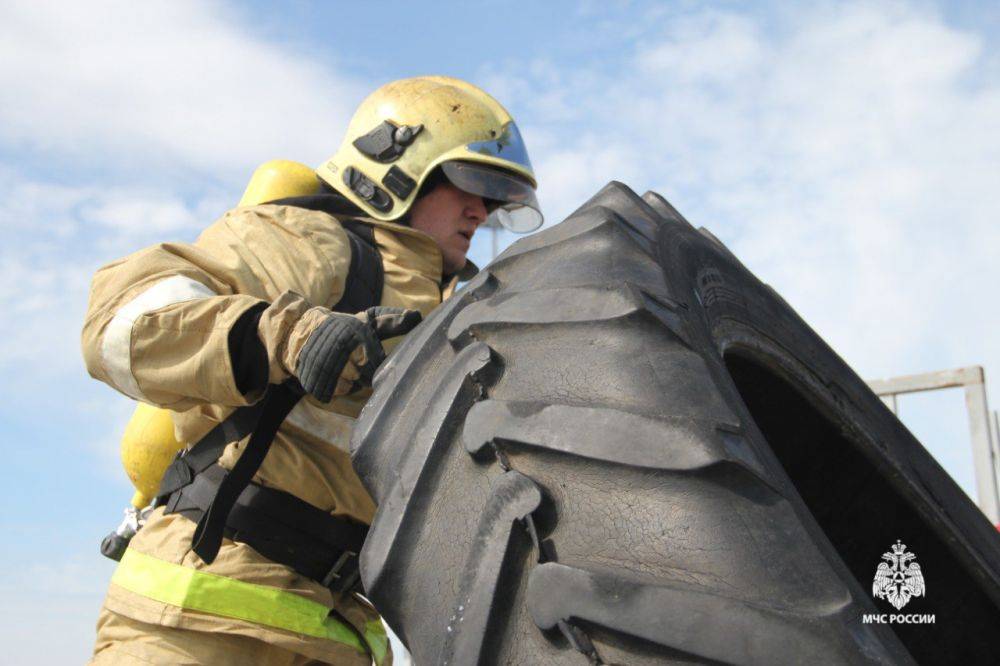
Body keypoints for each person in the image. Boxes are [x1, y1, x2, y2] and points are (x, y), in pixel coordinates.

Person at [81, 75, 542, 665]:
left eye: (498, 197)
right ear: (394, 169)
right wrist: (288, 338)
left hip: (341, 632)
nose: (483, 210)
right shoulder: (305, 241)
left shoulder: (465, 311)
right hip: (195, 620)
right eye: (468, 185)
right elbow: (120, 320)